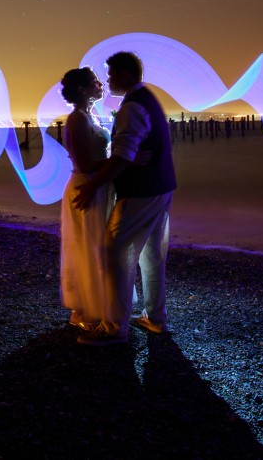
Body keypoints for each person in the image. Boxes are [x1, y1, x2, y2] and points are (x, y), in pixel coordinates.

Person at [73, 51, 177, 346]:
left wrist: (94, 186)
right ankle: (156, 319)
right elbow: (130, 153)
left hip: (140, 192)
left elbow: (122, 156)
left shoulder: (132, 107)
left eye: (111, 74)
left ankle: (114, 328)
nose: (108, 80)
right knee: (152, 255)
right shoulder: (148, 99)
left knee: (114, 253)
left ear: (126, 74)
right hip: (162, 187)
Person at [58, 67, 113, 331]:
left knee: (97, 243)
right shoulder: (77, 120)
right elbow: (84, 162)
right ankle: (83, 308)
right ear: (82, 89)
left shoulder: (90, 115)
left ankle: (100, 302)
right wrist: (121, 161)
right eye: (95, 82)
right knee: (86, 244)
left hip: (98, 186)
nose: (101, 84)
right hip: (85, 187)